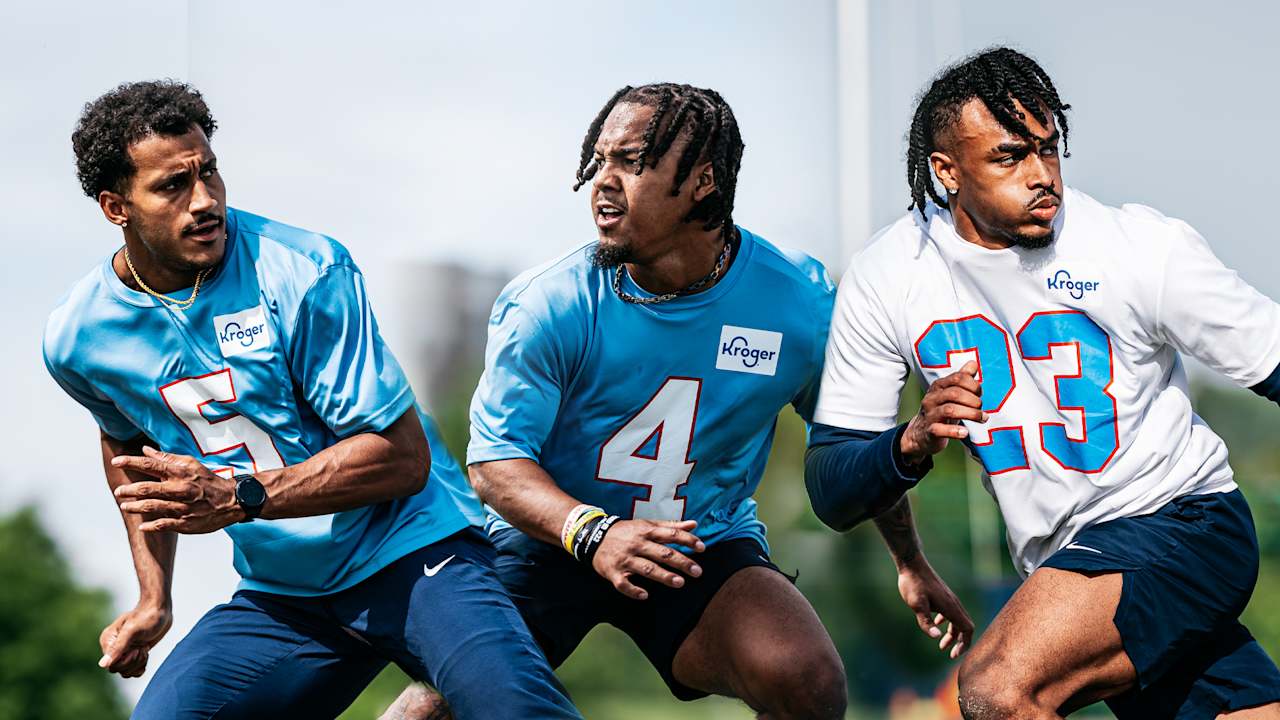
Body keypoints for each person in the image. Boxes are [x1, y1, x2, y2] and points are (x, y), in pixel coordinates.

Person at [387, 82, 972, 720]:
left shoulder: (798, 303)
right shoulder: (548, 304)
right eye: (598, 161)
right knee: (430, 710)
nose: (602, 182)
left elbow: (848, 441)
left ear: (702, 181)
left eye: (630, 161)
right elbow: (495, 466)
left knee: (807, 683)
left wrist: (910, 561)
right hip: (549, 540)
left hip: (697, 543)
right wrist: (593, 533)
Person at [43, 80, 581, 719]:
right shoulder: (78, 337)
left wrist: (238, 496)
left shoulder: (304, 269)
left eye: (209, 171)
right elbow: (127, 447)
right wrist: (153, 595)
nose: (205, 200)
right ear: (116, 207)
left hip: (413, 553)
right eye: (173, 186)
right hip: (285, 592)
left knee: (518, 710)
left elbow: (402, 459)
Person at [806, 47, 1280, 719]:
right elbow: (833, 484)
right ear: (946, 171)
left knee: (997, 688)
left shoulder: (1136, 248)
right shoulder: (889, 273)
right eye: (1009, 157)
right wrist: (909, 447)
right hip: (1069, 566)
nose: (1041, 176)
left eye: (1048, 149)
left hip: (1180, 524)